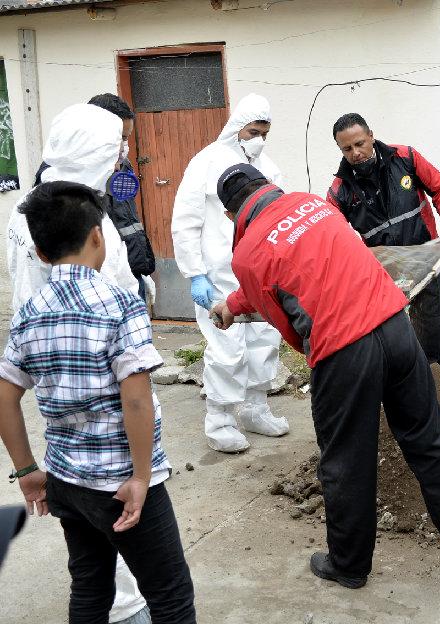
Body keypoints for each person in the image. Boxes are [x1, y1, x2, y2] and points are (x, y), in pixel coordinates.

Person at [211, 164, 440, 588]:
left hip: (343, 350)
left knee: (347, 462)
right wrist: (232, 304)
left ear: (231, 216)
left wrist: (319, 351)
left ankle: (349, 566)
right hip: (394, 324)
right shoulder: (313, 205)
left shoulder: (245, 255)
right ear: (268, 186)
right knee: (428, 437)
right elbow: (297, 263)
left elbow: (281, 316)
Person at [0, 181, 196, 623]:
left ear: (41, 253)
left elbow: (5, 394)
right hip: (121, 481)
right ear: (97, 236)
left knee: (90, 586)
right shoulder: (120, 304)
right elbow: (136, 400)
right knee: (171, 595)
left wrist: (28, 471)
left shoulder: (29, 312)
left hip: (66, 481)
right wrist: (141, 478)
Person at [171, 93, 288, 453]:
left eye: (264, 133)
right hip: (218, 277)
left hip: (258, 275)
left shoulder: (268, 167)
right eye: (253, 132)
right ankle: (219, 420)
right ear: (237, 128)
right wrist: (195, 273)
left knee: (264, 342)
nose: (259, 140)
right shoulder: (205, 162)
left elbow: (278, 217)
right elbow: (186, 220)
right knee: (227, 349)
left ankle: (256, 408)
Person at [327, 113, 440, 374]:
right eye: (347, 149)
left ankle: (439, 389)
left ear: (371, 136)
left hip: (426, 262)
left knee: (433, 334)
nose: (355, 153)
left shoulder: (405, 157)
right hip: (383, 274)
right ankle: (403, 389)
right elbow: (334, 234)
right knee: (392, 341)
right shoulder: (340, 191)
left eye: (359, 144)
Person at [7, 103, 139, 312]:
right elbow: (103, 296)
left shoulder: (29, 202)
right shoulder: (79, 213)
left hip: (33, 323)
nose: (117, 164)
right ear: (95, 154)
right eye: (113, 154)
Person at [33, 94, 156, 303]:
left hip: (127, 271)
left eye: (126, 139)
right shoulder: (58, 178)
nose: (123, 148)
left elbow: (128, 219)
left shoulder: (120, 166)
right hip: (94, 289)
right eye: (120, 138)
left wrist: (140, 269)